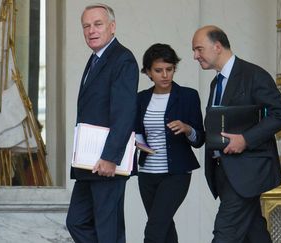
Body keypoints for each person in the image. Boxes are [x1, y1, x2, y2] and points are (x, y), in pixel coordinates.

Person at [192, 25, 281, 243]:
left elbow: (280, 114)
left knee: (225, 233)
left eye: (199, 49)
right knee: (254, 235)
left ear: (217, 46)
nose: (195, 56)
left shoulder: (253, 75)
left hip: (247, 171)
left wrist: (246, 140)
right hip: (225, 173)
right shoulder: (216, 82)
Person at [66, 3, 139, 243]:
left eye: (98, 24)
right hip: (89, 162)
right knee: (76, 221)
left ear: (112, 27)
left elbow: (125, 112)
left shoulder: (122, 59)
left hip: (106, 162)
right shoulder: (95, 58)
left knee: (108, 229)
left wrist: (111, 156)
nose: (91, 30)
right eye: (86, 26)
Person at [135, 43, 204, 243]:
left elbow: (200, 138)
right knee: (164, 228)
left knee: (154, 231)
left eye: (169, 69)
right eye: (158, 70)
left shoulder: (188, 96)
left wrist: (187, 129)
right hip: (147, 173)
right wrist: (136, 143)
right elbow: (136, 132)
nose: (165, 75)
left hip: (176, 174)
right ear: (148, 72)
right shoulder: (140, 99)